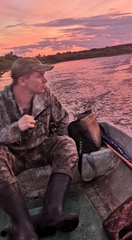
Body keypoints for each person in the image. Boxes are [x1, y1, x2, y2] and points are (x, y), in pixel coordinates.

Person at [0, 57, 79, 239]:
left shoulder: (46, 95)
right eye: (40, 76)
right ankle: (23, 227)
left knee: (66, 144)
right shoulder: (1, 103)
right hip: (13, 156)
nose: (46, 80)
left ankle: (52, 213)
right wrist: (15, 128)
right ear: (22, 80)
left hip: (41, 149)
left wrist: (58, 141)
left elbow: (62, 120)